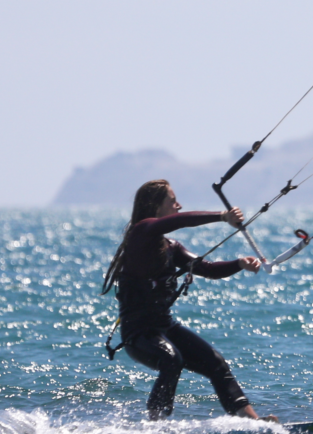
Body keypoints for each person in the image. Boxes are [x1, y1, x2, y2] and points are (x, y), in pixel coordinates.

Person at [101, 179, 277, 421]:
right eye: (172, 201)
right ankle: (155, 424)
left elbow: (208, 269)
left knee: (215, 362)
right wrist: (222, 216)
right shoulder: (141, 232)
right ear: (155, 206)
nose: (179, 205)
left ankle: (253, 422)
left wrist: (239, 264)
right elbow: (179, 221)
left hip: (165, 327)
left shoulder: (171, 247)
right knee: (171, 359)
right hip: (138, 333)